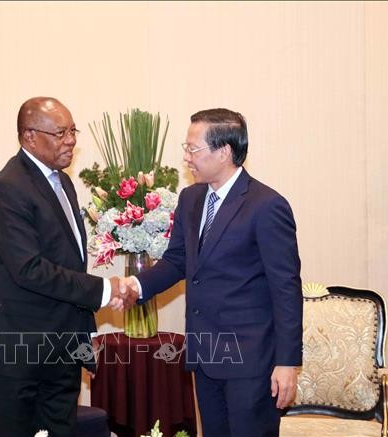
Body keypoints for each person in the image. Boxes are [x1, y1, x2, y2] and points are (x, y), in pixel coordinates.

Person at [121, 108, 303, 437]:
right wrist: (136, 285)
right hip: (205, 355)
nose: (186, 157)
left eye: (193, 149)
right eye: (186, 147)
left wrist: (287, 363)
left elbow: (286, 289)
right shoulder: (191, 199)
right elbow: (178, 261)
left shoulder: (266, 206)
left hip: (251, 360)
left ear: (224, 152)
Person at [0, 97, 136, 437]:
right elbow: (29, 269)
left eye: (72, 130)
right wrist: (105, 290)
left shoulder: (61, 181)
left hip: (61, 348)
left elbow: (64, 262)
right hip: (17, 350)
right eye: (60, 132)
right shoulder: (9, 187)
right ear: (30, 136)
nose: (71, 139)